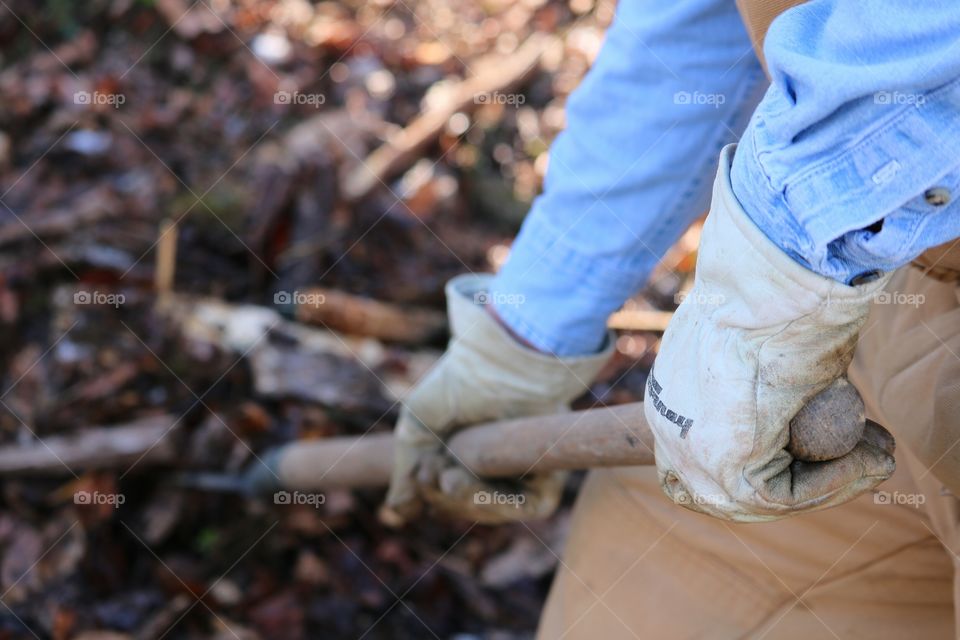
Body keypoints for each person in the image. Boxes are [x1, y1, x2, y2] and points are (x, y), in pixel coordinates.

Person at [384, 0, 960, 636]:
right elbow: (698, 23)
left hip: (844, 250)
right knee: (639, 582)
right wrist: (529, 336)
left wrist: (768, 303)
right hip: (891, 264)